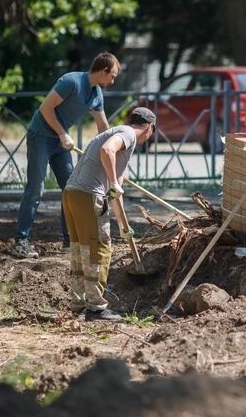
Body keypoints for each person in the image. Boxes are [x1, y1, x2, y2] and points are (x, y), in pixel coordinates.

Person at [13, 52, 120, 259]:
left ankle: (69, 241)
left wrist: (111, 152)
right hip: (41, 137)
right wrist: (62, 133)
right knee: (36, 187)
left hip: (61, 143)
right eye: (112, 75)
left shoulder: (96, 94)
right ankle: (20, 241)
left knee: (70, 188)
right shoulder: (72, 81)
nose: (113, 80)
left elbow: (103, 128)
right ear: (103, 71)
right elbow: (45, 108)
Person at [63, 107, 155, 321]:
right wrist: (113, 181)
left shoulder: (118, 133)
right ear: (150, 127)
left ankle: (77, 303)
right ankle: (96, 308)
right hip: (88, 195)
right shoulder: (128, 135)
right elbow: (107, 151)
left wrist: (125, 226)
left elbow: (115, 193)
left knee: (80, 249)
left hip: (71, 194)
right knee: (99, 249)